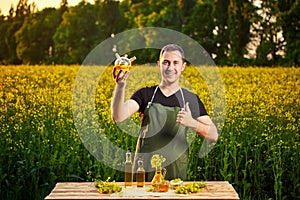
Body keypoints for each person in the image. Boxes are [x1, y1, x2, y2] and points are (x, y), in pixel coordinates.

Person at [111, 44, 218, 181]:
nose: (170, 68)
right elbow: (118, 116)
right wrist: (120, 86)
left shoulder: (190, 99)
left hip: (175, 175)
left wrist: (192, 123)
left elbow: (213, 135)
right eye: (166, 62)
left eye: (175, 63)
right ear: (159, 65)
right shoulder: (145, 94)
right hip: (144, 173)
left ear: (182, 66)